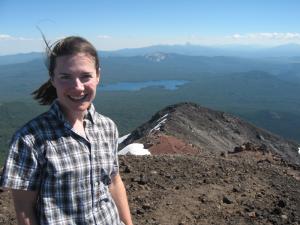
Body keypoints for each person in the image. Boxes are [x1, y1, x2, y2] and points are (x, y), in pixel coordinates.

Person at [0, 36, 133, 225]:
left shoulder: (107, 127)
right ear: (53, 79)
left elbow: (114, 181)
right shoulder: (29, 139)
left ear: (98, 76)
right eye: (65, 77)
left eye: (85, 76)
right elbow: (24, 209)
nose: (77, 87)